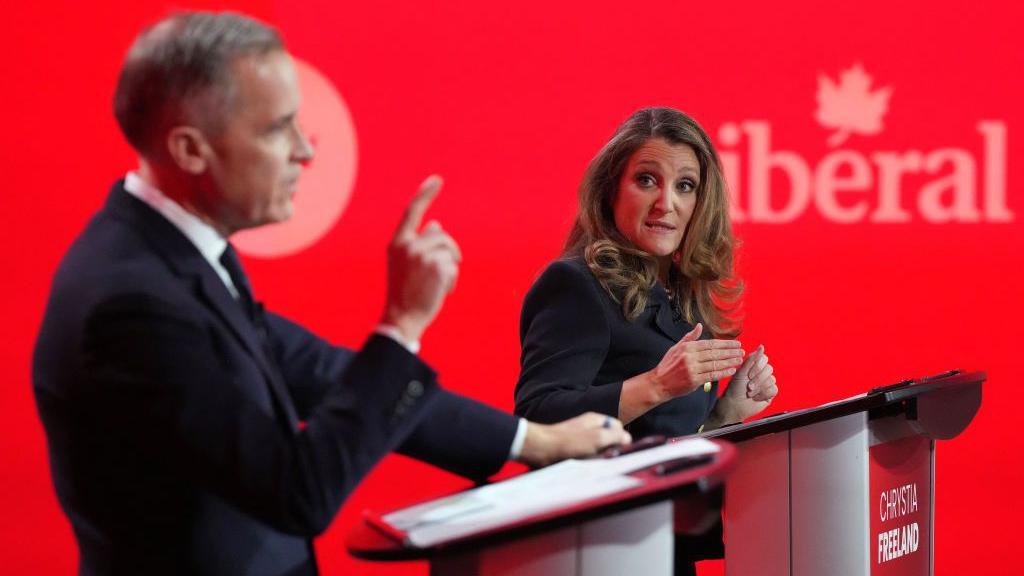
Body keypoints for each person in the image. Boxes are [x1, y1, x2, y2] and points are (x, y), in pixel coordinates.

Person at [31, 12, 630, 576]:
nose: (306, 149)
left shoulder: (174, 250)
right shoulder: (131, 301)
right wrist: (402, 324)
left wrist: (534, 441)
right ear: (190, 149)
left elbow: (321, 372)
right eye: (276, 128)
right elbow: (295, 491)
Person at [513, 107, 779, 573]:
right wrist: (655, 384)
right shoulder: (577, 284)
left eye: (685, 186)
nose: (666, 205)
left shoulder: (684, 294)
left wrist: (725, 414)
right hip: (600, 549)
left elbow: (664, 438)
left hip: (664, 545)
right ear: (611, 190)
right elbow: (538, 418)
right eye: (647, 180)